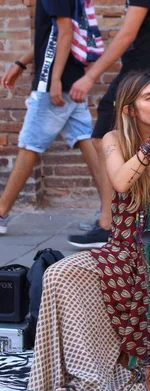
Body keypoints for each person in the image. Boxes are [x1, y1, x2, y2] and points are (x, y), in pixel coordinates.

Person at [28, 71, 150, 391]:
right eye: (149, 98)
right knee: (60, 274)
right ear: (130, 110)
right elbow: (121, 182)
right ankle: (89, 377)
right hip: (123, 250)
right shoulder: (113, 140)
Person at [66, 0, 150, 248]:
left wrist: (90, 77)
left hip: (141, 73)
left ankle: (109, 223)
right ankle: (124, 218)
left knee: (104, 136)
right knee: (132, 140)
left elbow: (127, 34)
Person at [0, 0, 109, 235]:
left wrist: (55, 79)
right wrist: (21, 63)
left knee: (30, 144)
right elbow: (49, 33)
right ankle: (110, 214)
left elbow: (66, 30)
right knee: (86, 141)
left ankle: (1, 212)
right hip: (71, 77)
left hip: (54, 83)